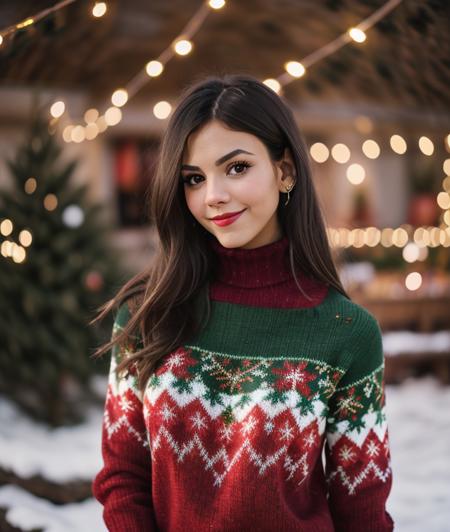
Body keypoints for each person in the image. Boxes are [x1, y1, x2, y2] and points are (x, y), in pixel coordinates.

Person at [91, 73, 394, 531]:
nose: (214, 196)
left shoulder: (346, 331)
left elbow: (363, 513)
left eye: (236, 168)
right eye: (194, 178)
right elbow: (123, 478)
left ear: (285, 171)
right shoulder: (148, 313)